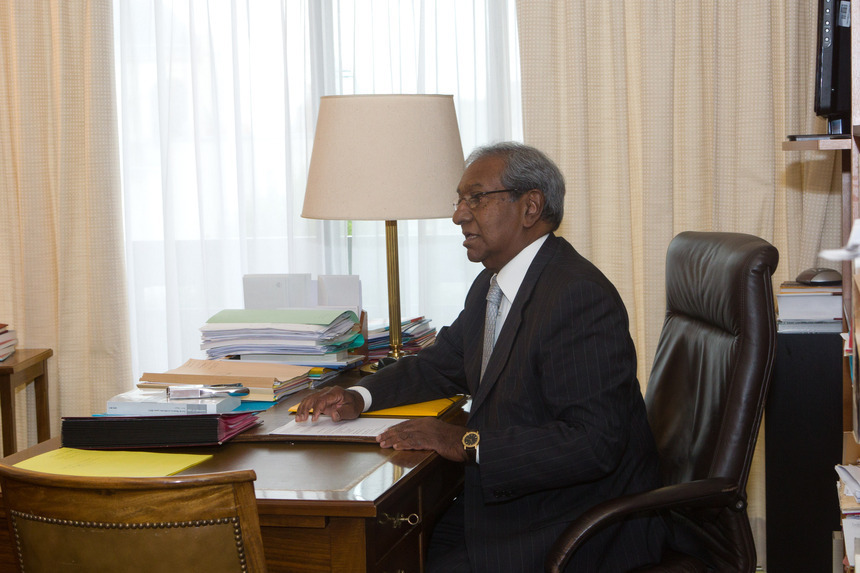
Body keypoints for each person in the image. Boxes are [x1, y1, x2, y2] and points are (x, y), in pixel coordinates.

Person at [295, 142, 665, 572]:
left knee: (389, 552)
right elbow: (441, 363)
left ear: (530, 207)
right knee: (392, 546)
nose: (458, 215)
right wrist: (357, 395)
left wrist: (464, 440)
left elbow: (593, 442)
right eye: (459, 200)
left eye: (476, 197)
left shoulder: (576, 296)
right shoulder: (492, 285)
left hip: (573, 522)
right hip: (510, 501)